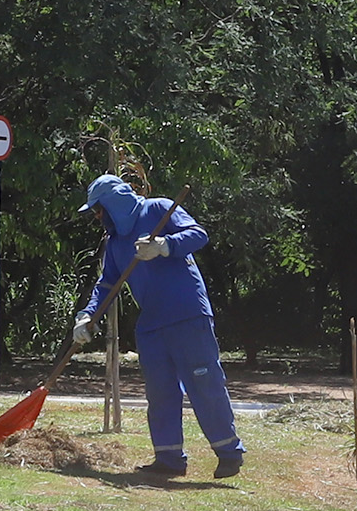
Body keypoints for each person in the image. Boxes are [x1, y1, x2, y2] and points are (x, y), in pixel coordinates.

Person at [76, 173, 243, 480]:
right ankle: (169, 458)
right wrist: (87, 315)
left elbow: (198, 234)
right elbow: (107, 284)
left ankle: (229, 451)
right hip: (151, 324)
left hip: (188, 313)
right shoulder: (115, 243)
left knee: (204, 383)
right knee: (160, 391)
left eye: (99, 210)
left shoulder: (157, 210)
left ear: (113, 204)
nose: (98, 217)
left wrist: (165, 245)